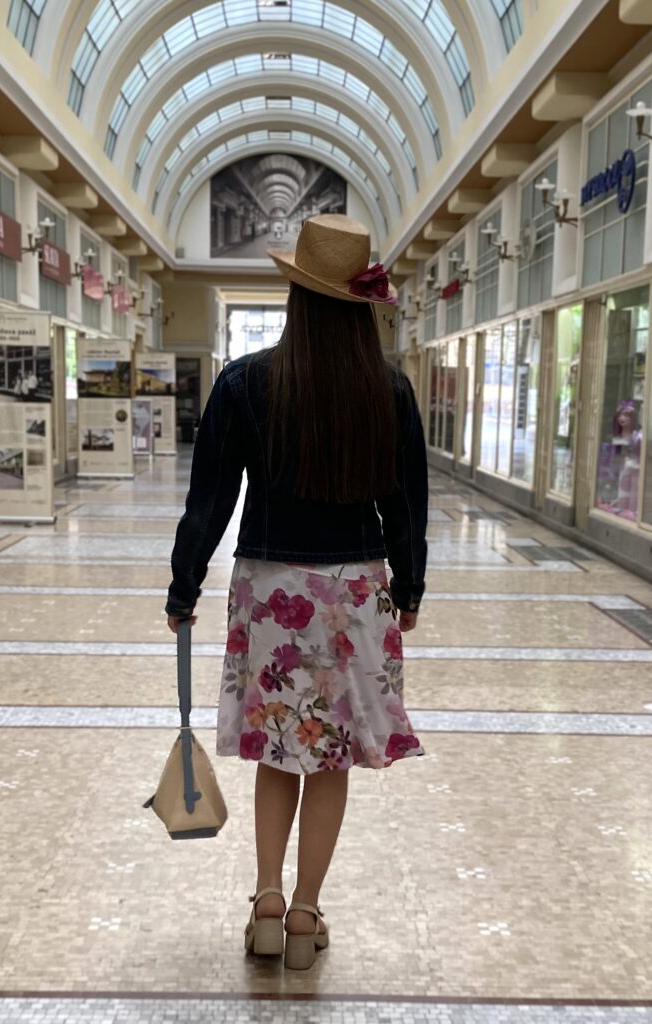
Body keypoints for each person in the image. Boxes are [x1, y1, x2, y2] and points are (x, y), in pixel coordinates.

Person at [166, 214, 428, 971]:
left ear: (296, 295)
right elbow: (405, 505)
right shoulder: (388, 390)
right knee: (332, 757)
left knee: (279, 752)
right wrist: (410, 587)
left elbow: (209, 501)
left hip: (269, 593)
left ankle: (266, 903)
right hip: (355, 593)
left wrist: (184, 584)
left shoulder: (244, 383)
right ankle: (308, 913)